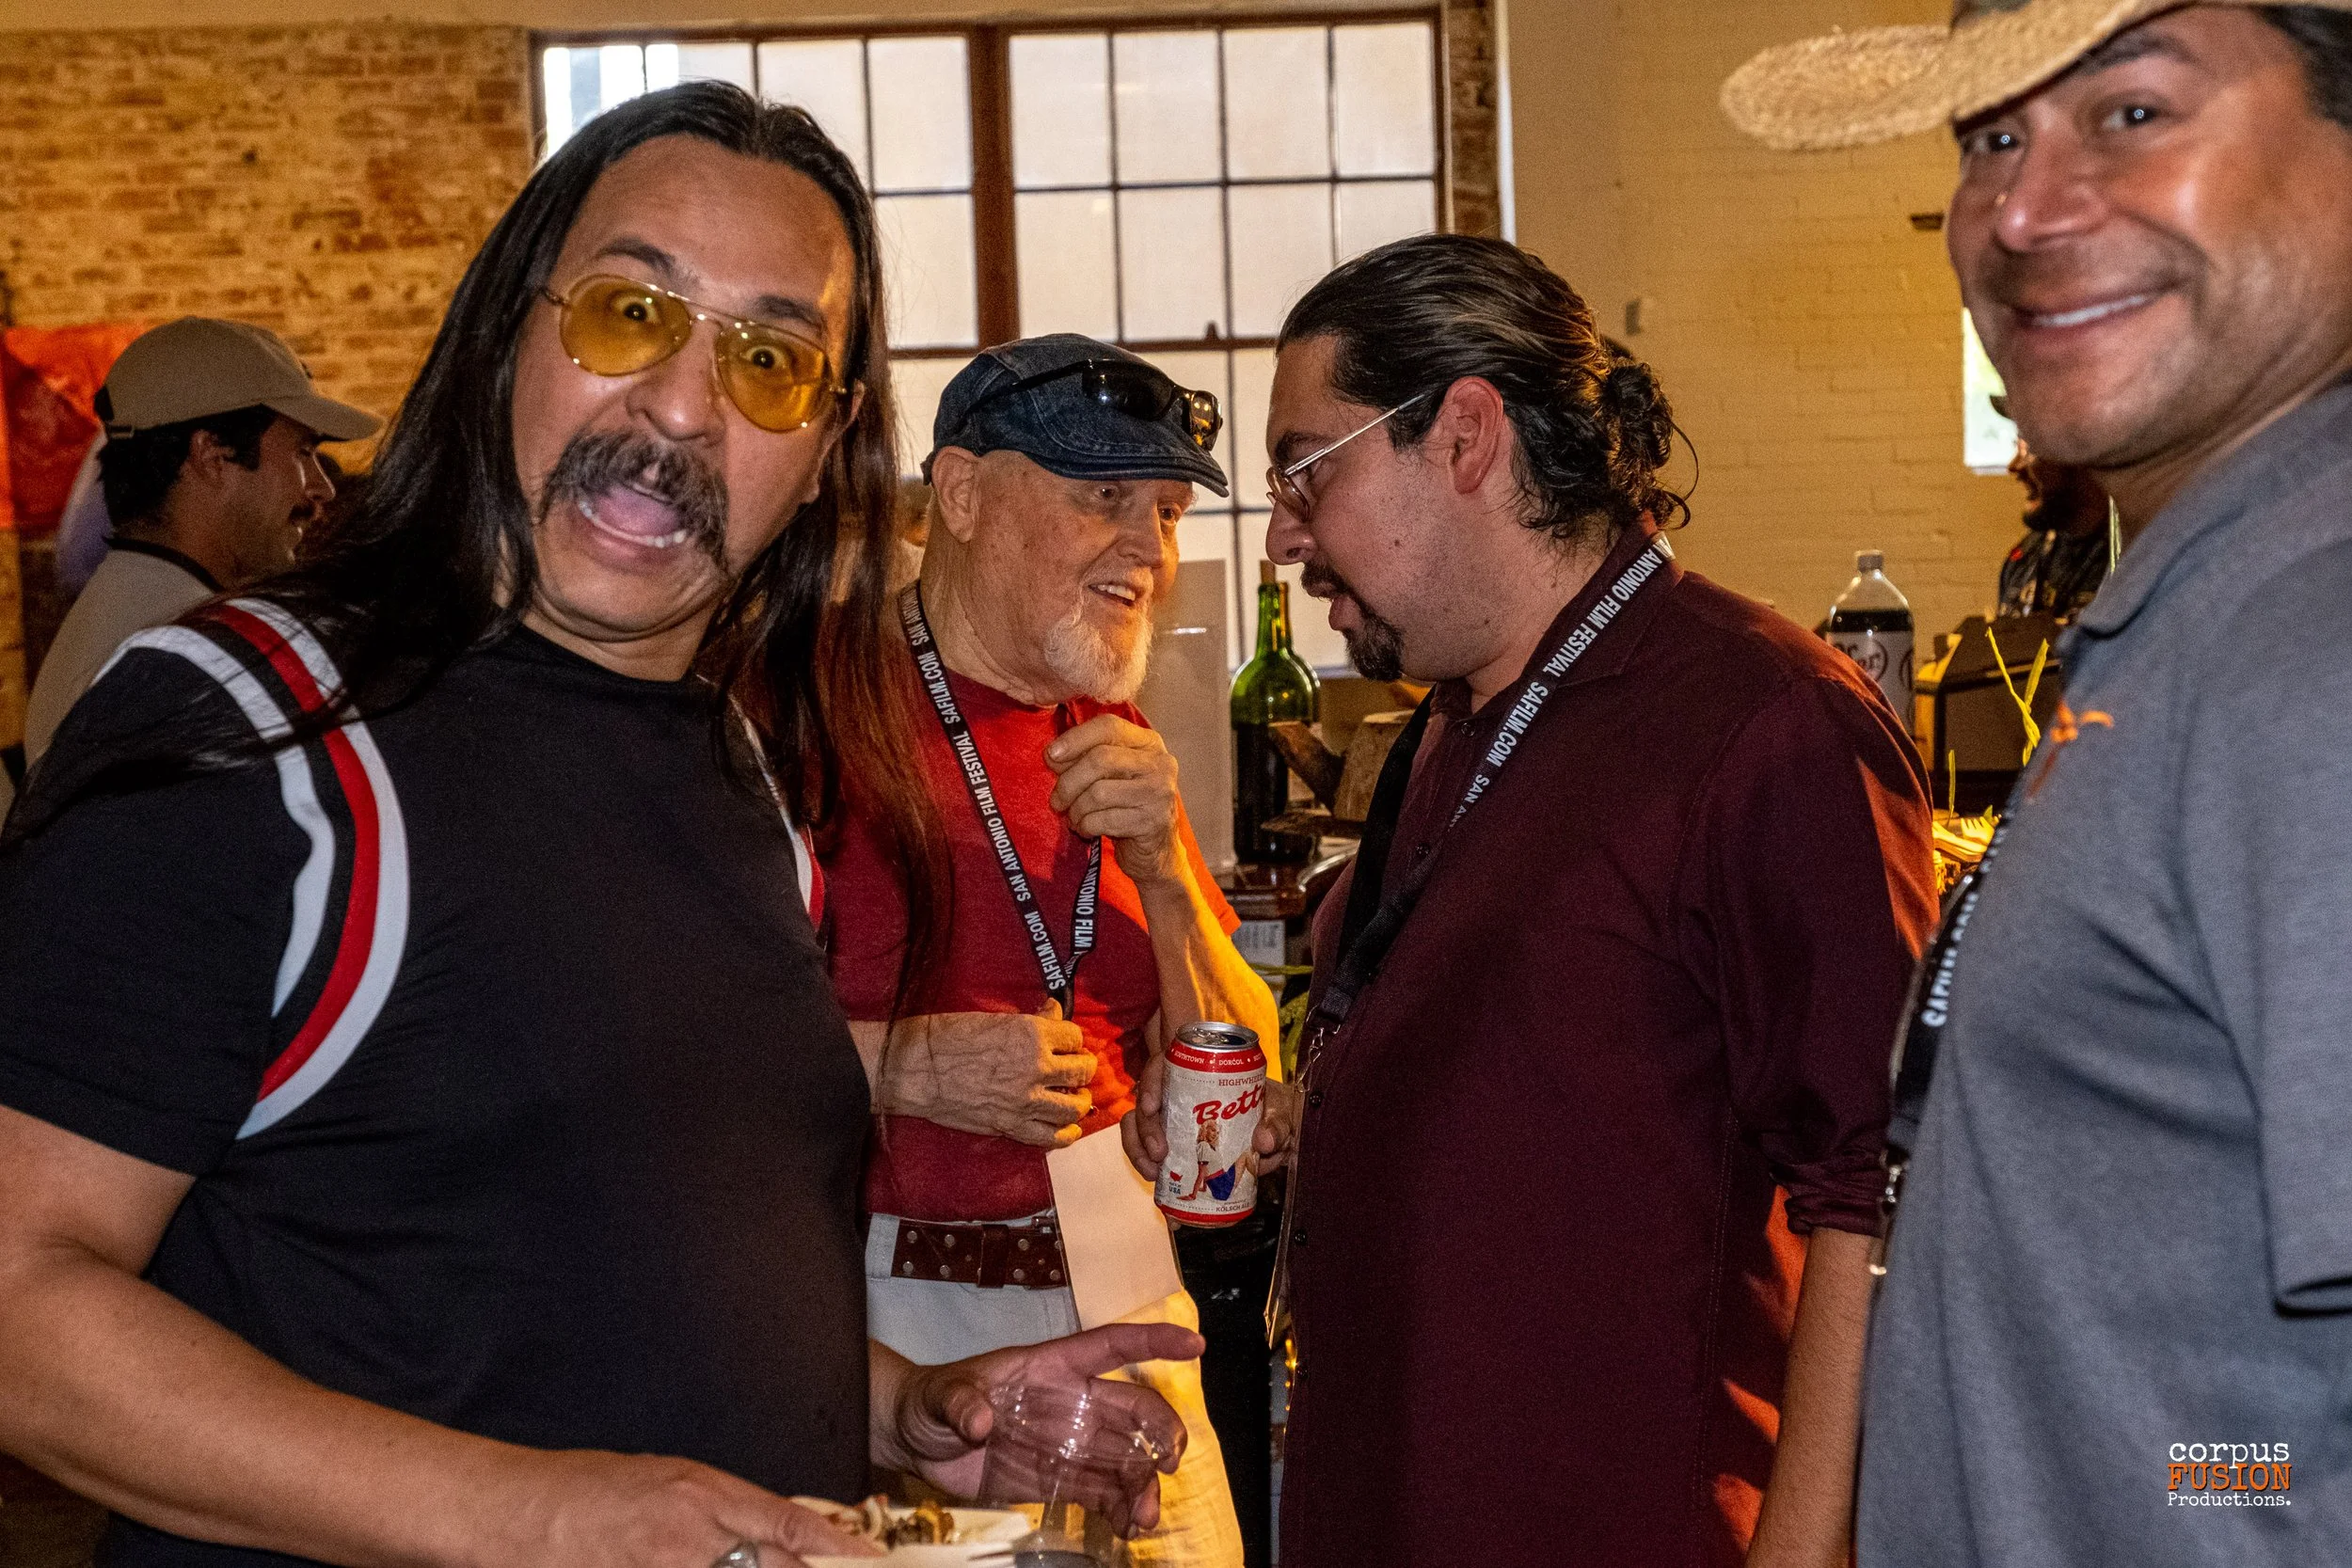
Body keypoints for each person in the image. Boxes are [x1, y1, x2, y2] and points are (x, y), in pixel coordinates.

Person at [0, 83, 1196, 1568]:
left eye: (771, 360)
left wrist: (912, 1408)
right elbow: (22, 1302)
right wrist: (542, 1512)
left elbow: (606, 1269)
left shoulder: (738, 767)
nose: (684, 408)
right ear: (508, 332)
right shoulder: (255, 729)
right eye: (631, 314)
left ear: (825, 449)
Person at [1725, 3, 2352, 1561]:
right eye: (1991, 136)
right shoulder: (2208, 609)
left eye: (2133, 113)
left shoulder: (2311, 645)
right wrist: (2181, 1474)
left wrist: (2182, 1491)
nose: (2020, 209)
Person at [1246, 233, 1937, 1568]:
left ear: (1464, 434)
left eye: (1307, 469)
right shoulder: (1445, 723)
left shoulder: (1767, 722)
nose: (1284, 534)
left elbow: (1880, 1189)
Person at [822, 335, 1283, 1568]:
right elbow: (660, 1054)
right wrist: (898, 1064)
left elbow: (1248, 1088)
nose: (1148, 546)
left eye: (1168, 510)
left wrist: (1167, 877)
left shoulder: (1114, 729)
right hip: (890, 1325)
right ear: (962, 493)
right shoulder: (805, 704)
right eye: (1103, 495)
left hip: (1132, 1299)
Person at [23, 318, 374, 767]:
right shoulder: (184, 653)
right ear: (212, 455)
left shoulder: (128, 617)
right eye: (303, 452)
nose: (322, 488)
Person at [1994, 427, 2109, 621]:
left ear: (2079, 456)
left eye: (2029, 450)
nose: (2014, 466)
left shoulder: (2136, 560)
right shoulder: (2023, 560)